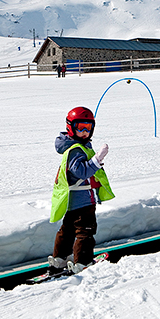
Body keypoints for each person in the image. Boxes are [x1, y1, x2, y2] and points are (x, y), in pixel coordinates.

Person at [48, 107, 114, 274]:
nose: (85, 132)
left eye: (88, 127)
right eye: (80, 127)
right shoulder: (75, 150)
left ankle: (60, 258)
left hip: (75, 201)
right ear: (71, 127)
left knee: (68, 229)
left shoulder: (76, 146)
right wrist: (97, 160)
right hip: (83, 200)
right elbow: (81, 171)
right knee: (85, 231)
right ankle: (82, 262)